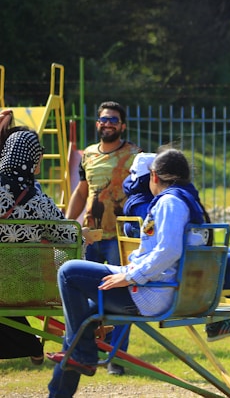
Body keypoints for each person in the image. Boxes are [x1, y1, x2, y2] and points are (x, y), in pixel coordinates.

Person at [47, 148, 205, 397]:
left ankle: (82, 356)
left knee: (68, 272)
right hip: (152, 286)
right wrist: (128, 272)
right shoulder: (185, 198)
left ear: (154, 176)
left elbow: (168, 250)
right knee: (79, 326)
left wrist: (130, 277)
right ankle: (64, 382)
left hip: (149, 293)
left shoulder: (170, 202)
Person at [122, 152, 230, 342]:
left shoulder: (170, 197)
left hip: (174, 262)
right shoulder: (164, 202)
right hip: (167, 271)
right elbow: (167, 247)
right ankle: (215, 318)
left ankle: (219, 320)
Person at [65, 101, 142, 376]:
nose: (107, 123)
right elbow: (82, 191)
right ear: (97, 124)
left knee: (123, 299)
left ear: (122, 125)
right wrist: (67, 222)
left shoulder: (135, 155)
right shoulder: (87, 154)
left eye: (113, 119)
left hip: (120, 239)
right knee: (91, 297)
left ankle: (116, 357)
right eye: (102, 119)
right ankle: (91, 349)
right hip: (91, 237)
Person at [0, 128, 79, 366]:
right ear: (32, 161)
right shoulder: (39, 200)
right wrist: (84, 237)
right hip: (28, 290)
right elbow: (69, 238)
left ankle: (29, 344)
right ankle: (32, 345)